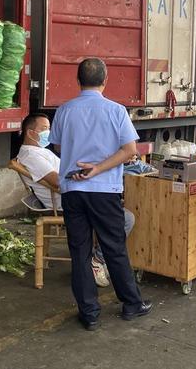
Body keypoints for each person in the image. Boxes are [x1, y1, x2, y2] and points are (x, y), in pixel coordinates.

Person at [49, 58, 151, 331]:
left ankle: (90, 313)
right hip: (104, 191)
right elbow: (130, 151)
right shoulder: (116, 111)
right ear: (105, 80)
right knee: (114, 248)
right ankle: (132, 304)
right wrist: (97, 168)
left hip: (73, 189)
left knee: (80, 252)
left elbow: (58, 146)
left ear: (77, 80)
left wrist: (80, 159)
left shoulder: (64, 110)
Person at [17, 112, 136, 287]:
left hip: (73, 193)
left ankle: (101, 259)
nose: (48, 133)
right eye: (43, 129)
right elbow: (57, 181)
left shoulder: (40, 151)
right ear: (30, 133)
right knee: (126, 217)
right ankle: (98, 260)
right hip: (68, 200)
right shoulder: (31, 156)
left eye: (49, 129)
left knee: (123, 186)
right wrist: (86, 176)